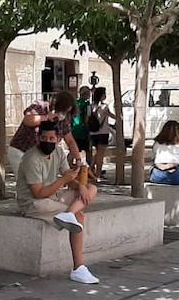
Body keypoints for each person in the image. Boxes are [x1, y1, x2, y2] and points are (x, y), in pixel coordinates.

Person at [16, 121, 100, 284]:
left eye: (51, 138)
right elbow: (38, 193)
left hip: (53, 196)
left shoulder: (59, 152)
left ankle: (68, 214)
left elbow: (68, 177)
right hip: (34, 203)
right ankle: (78, 268)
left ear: (58, 139)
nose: (48, 141)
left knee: (92, 189)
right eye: (44, 138)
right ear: (38, 138)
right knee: (80, 217)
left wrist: (80, 186)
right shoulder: (31, 158)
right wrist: (64, 180)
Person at [8, 90, 80, 175]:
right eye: (63, 111)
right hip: (21, 152)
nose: (64, 114)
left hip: (38, 157)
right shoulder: (39, 107)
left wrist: (78, 158)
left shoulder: (63, 120)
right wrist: (47, 117)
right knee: (30, 184)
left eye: (67, 112)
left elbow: (70, 140)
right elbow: (27, 120)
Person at [88, 86, 116, 182]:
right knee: (100, 154)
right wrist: (119, 117)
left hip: (93, 133)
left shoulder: (90, 106)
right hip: (103, 132)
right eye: (104, 94)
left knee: (97, 152)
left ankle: (90, 168)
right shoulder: (105, 106)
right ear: (101, 95)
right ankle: (98, 174)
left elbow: (86, 120)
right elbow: (111, 116)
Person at [72, 85, 92, 160]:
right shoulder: (87, 104)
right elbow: (87, 117)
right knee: (88, 150)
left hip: (74, 129)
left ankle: (68, 165)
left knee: (73, 149)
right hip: (83, 130)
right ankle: (91, 168)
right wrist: (88, 129)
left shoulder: (74, 102)